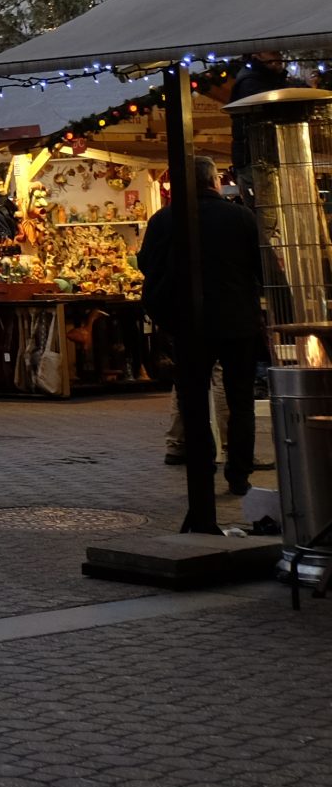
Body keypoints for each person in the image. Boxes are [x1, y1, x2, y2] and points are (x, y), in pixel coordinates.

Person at [140, 155, 270, 523]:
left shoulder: (165, 218)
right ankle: (239, 473)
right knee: (240, 398)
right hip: (237, 322)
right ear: (214, 181)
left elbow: (146, 264)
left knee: (194, 398)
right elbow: (263, 268)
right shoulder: (241, 217)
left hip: (189, 322)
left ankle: (203, 466)